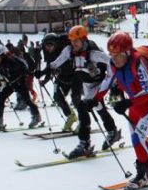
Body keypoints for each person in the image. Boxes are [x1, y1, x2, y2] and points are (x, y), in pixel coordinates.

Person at [92, 31, 148, 188]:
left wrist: (127, 103)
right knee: (137, 137)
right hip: (134, 104)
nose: (114, 58)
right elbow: (107, 82)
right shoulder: (114, 64)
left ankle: (143, 175)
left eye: (117, 54)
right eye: (111, 54)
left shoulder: (139, 62)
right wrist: (93, 99)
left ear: (127, 52)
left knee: (137, 138)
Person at [50, 25, 121, 158]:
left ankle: (84, 143)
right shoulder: (69, 51)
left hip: (98, 84)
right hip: (87, 85)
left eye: (76, 41)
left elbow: (112, 62)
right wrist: (46, 70)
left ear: (83, 39)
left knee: (82, 108)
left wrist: (111, 81)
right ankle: (113, 131)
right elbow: (55, 63)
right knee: (99, 107)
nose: (73, 44)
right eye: (71, 41)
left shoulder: (93, 53)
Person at [0, 45, 42, 131]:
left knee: (26, 100)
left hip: (20, 82)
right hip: (10, 83)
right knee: (1, 98)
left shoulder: (12, 60)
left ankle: (36, 116)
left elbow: (25, 68)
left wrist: (17, 73)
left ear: (3, 55)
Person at [34, 33, 79, 132]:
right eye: (46, 45)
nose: (48, 47)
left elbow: (55, 64)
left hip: (75, 76)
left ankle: (83, 122)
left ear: (56, 44)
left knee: (76, 100)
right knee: (57, 97)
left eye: (50, 45)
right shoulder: (48, 53)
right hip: (62, 77)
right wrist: (44, 79)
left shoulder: (64, 51)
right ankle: (70, 116)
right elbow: (51, 67)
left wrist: (42, 73)